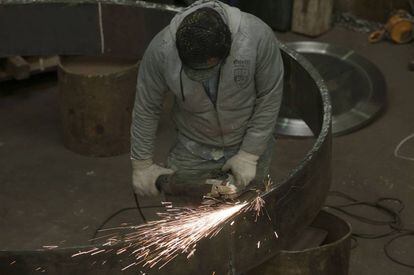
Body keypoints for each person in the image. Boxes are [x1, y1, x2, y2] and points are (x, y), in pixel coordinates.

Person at [131, 0, 284, 197]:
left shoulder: (256, 37)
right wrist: (141, 164)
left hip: (247, 138)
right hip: (193, 144)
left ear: (226, 51)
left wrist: (249, 155)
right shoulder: (161, 50)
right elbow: (146, 107)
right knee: (185, 210)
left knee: (250, 205)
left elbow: (269, 96)